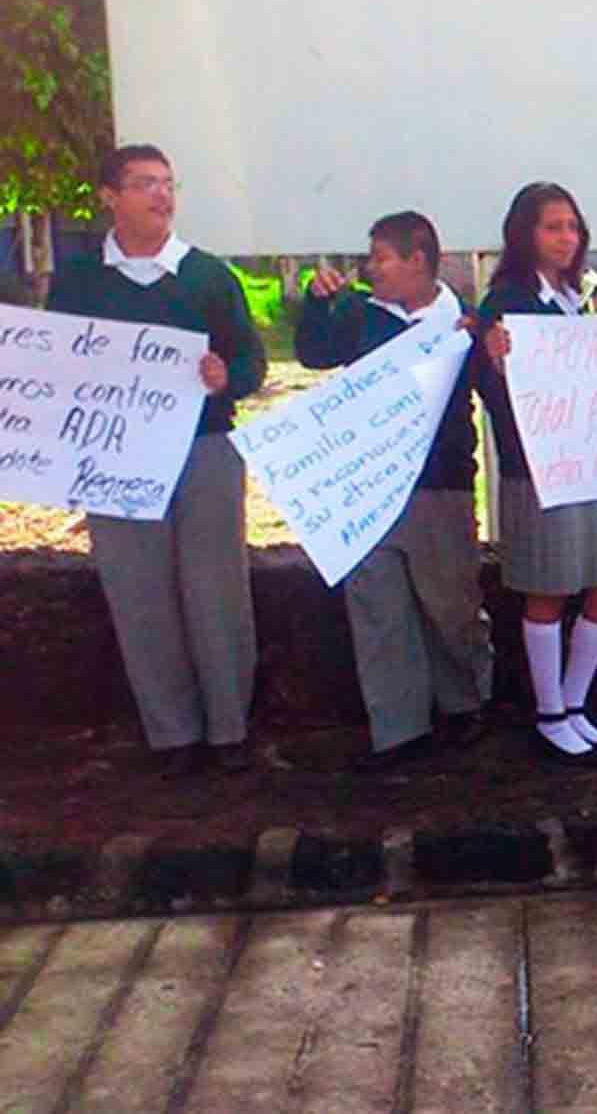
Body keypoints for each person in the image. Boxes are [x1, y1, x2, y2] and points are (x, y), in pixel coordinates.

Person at [48, 144, 266, 774]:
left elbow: (250, 360)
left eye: (169, 183)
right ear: (110, 197)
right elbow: (60, 365)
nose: (162, 195)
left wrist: (228, 376)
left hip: (203, 451)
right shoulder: (80, 281)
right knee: (138, 590)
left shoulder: (207, 276)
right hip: (118, 455)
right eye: (145, 183)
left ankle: (229, 729)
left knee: (216, 588)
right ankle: (172, 736)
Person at [296, 211, 494, 770]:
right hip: (369, 488)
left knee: (449, 603)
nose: (370, 269)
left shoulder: (465, 323)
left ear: (417, 262)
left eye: (381, 258)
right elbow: (312, 352)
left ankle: (464, 704)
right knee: (377, 607)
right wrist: (316, 302)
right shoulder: (357, 317)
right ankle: (399, 729)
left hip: (441, 488)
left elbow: (493, 393)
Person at [477, 182, 597, 765]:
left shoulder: (577, 298)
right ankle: (549, 713)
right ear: (525, 234)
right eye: (552, 227)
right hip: (539, 468)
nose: (565, 238)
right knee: (548, 588)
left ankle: (573, 702)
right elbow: (491, 390)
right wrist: (492, 357)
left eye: (572, 227)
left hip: (588, 462)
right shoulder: (507, 302)